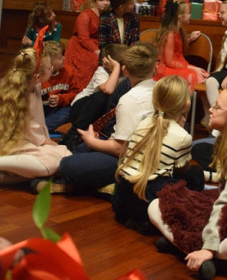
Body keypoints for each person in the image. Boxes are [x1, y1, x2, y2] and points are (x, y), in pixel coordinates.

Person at [148, 86, 227, 280]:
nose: (210, 109)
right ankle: (192, 249)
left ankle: (196, 249)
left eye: (217, 107)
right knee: (157, 205)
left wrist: (208, 247)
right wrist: (208, 177)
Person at [32, 42, 158, 194]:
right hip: (145, 154)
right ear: (155, 68)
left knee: (67, 164)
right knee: (81, 149)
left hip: (133, 160)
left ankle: (98, 185)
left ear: (124, 69)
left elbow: (121, 149)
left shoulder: (130, 98)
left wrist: (92, 140)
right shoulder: (158, 88)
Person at [114, 75, 202, 233]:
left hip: (122, 199)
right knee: (195, 174)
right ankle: (150, 221)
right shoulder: (182, 136)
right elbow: (182, 169)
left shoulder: (143, 122)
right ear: (185, 105)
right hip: (149, 200)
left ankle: (137, 219)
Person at [0, 43, 70, 184]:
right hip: (15, 142)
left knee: (64, 156)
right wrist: (49, 144)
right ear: (37, 77)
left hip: (27, 141)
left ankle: (9, 177)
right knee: (55, 162)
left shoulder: (33, 84)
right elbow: (33, 133)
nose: (52, 69)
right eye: (50, 68)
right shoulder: (20, 94)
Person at [64, 0, 111, 92]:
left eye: (107, 0)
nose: (105, 3)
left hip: (98, 45)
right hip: (81, 46)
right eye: (101, 0)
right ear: (94, 1)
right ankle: (83, 91)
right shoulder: (85, 15)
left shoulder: (107, 15)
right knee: (93, 62)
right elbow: (83, 38)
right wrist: (97, 51)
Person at [154, 0, 208, 91]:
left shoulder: (178, 31)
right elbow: (170, 61)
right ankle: (182, 103)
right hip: (167, 69)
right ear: (180, 16)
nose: (190, 15)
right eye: (188, 13)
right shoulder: (170, 34)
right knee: (195, 77)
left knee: (205, 76)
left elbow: (177, 47)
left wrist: (190, 38)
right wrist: (191, 68)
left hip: (178, 66)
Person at [40, 40, 80, 132]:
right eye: (59, 57)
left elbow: (75, 93)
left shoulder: (68, 71)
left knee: (68, 112)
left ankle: (41, 129)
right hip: (41, 108)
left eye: (63, 55)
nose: (64, 58)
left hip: (60, 108)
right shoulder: (39, 76)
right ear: (49, 62)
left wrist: (61, 99)